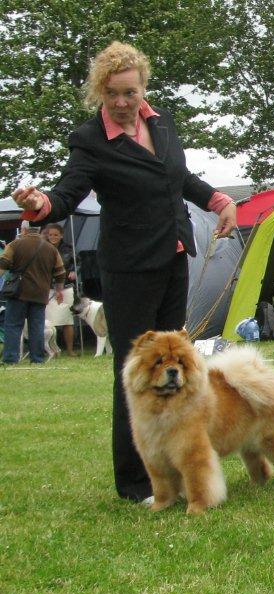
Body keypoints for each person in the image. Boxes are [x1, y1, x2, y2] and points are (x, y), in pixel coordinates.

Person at [10, 42, 237, 502]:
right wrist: (41, 205)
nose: (121, 102)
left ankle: (177, 469)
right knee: (137, 371)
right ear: (100, 91)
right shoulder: (90, 139)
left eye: (129, 92)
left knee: (178, 367)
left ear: (143, 88)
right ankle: (136, 483)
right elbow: (68, 191)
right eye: (112, 93)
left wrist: (218, 200)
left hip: (174, 256)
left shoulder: (162, 123)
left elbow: (179, 177)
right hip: (130, 268)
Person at [1, 225, 66, 364]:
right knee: (37, 327)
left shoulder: (15, 244)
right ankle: (37, 358)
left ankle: (10, 359)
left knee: (13, 325)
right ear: (39, 231)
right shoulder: (51, 249)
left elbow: (3, 264)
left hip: (18, 292)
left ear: (23, 230)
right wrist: (59, 290)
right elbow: (60, 273)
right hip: (40, 294)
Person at [43, 223, 78, 355]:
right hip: (48, 288)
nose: (53, 237)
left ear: (61, 235)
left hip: (66, 287)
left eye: (56, 235)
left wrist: (74, 271)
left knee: (67, 319)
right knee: (49, 321)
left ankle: (70, 349)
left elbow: (78, 262)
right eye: (50, 235)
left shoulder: (69, 248)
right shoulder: (43, 248)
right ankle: (52, 350)